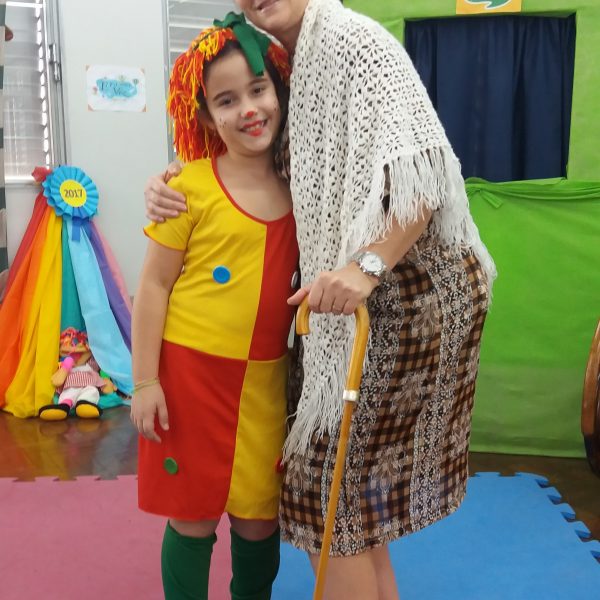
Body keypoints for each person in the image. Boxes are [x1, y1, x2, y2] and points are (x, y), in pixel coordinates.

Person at [145, 1, 496, 599]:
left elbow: (425, 173)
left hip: (399, 295)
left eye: (256, 92)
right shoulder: (287, 58)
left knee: (324, 501)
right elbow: (264, 155)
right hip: (348, 305)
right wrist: (176, 176)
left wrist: (366, 266)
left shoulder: (351, 43)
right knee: (348, 504)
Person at [131, 16, 298, 600]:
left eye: (258, 89)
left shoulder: (301, 187)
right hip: (190, 377)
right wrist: (144, 381)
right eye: (226, 100)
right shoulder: (187, 188)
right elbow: (153, 286)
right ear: (205, 116)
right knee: (193, 514)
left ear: (279, 91)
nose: (248, 109)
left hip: (265, 381)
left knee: (259, 516)